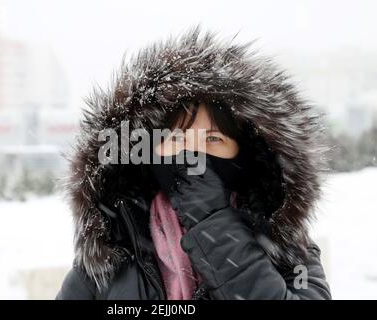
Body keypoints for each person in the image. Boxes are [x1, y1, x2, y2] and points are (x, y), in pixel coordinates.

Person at [56, 26, 332, 300]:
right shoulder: (111, 249)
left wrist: (213, 222)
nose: (194, 155)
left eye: (213, 139)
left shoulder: (286, 247)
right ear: (150, 150)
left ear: (245, 153)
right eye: (177, 139)